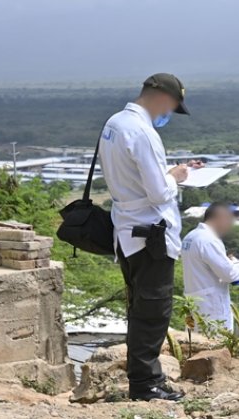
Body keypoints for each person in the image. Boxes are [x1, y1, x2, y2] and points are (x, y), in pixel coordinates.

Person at [98, 73, 196, 402]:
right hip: (149, 235)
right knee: (153, 311)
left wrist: (166, 176)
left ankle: (149, 378)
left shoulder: (114, 122)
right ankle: (145, 385)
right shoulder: (142, 131)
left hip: (127, 229)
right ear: (162, 96)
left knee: (140, 308)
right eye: (172, 105)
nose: (169, 112)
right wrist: (177, 178)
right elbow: (157, 193)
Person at [181, 202, 239, 331]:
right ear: (220, 218)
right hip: (210, 305)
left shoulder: (191, 236)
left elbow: (204, 266)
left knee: (195, 341)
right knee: (215, 343)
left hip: (194, 299)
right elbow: (229, 274)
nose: (230, 225)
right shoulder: (209, 240)